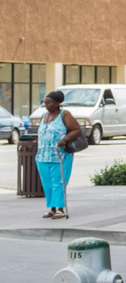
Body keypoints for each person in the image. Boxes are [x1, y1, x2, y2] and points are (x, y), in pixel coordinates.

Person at [36, 90, 82, 220]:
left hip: (59, 156)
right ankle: (52, 209)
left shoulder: (64, 114)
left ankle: (61, 209)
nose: (46, 105)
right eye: (44, 102)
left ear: (57, 103)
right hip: (43, 156)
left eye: (49, 102)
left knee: (58, 183)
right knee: (47, 184)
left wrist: (65, 140)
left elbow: (76, 129)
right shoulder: (44, 115)